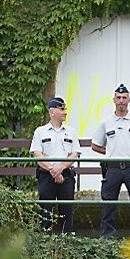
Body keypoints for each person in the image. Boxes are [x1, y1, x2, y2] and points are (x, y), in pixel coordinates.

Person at [90, 83, 130, 238]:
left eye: (124, 98)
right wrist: (111, 152)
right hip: (112, 167)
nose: (121, 100)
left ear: (129, 100)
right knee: (108, 204)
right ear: (113, 100)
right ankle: (107, 238)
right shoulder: (106, 122)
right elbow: (95, 145)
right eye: (118, 97)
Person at [30, 96, 81, 233]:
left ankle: (67, 240)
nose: (65, 112)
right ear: (52, 112)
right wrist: (53, 170)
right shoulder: (40, 131)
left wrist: (61, 168)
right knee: (45, 210)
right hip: (46, 175)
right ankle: (44, 241)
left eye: (65, 109)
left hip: (66, 176)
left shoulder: (71, 131)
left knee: (67, 210)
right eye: (62, 109)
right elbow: (37, 154)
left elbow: (74, 154)